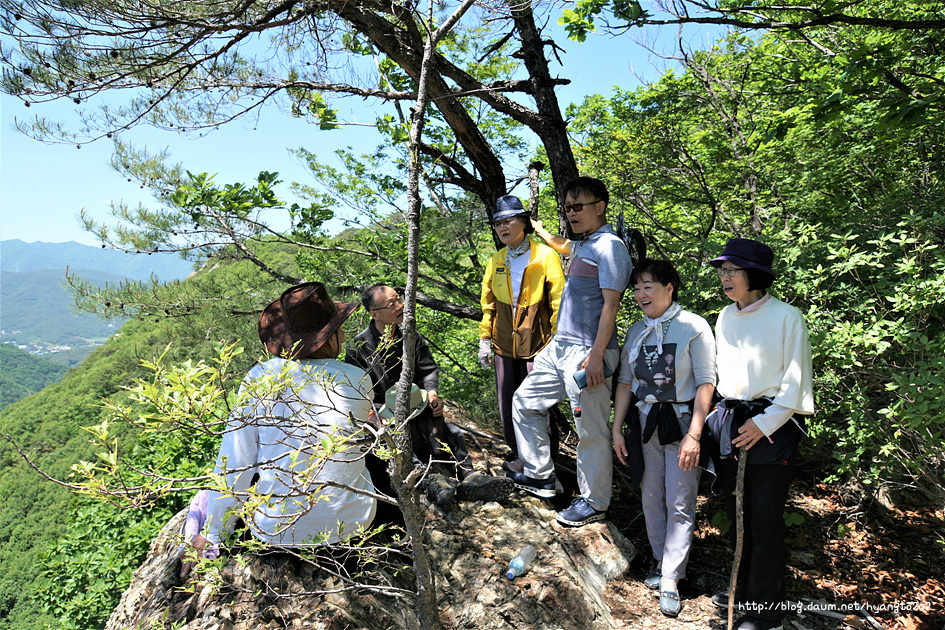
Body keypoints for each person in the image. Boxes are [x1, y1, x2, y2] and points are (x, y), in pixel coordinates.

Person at [196, 282, 378, 564]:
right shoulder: (357, 378)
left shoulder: (259, 378)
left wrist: (213, 533)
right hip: (351, 529)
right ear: (329, 339)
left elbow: (235, 462)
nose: (343, 333)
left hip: (278, 532)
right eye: (339, 327)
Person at [507, 176, 632, 527]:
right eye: (568, 207)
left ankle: (594, 503)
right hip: (560, 347)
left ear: (600, 207)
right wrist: (542, 230)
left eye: (579, 206)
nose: (572, 213)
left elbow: (611, 306)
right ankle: (541, 476)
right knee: (525, 401)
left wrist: (595, 357)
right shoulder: (588, 244)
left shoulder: (611, 248)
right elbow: (565, 247)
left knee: (591, 430)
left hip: (588, 353)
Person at [707, 239, 814, 630]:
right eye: (722, 271)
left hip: (774, 426)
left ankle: (766, 612)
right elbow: (720, 376)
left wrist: (764, 424)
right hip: (735, 423)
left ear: (755, 275)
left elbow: (796, 381)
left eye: (732, 270)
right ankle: (744, 591)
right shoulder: (724, 316)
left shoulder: (788, 317)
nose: (724, 277)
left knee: (765, 521)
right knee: (739, 516)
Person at [611, 258, 715, 617]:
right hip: (645, 423)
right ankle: (660, 560)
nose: (640, 293)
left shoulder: (693, 326)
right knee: (651, 495)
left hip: (683, 422)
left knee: (681, 499)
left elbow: (706, 382)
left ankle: (672, 577)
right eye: (636, 287)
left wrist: (695, 435)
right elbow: (625, 383)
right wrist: (616, 429)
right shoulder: (635, 331)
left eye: (648, 286)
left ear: (669, 288)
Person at [346, 283, 512, 504]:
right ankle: (428, 481)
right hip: (384, 413)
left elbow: (428, 370)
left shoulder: (410, 334)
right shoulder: (359, 347)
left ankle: (470, 477)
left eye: (398, 299)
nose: (399, 306)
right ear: (374, 313)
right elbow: (358, 392)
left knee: (451, 431)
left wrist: (432, 393)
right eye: (391, 304)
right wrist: (373, 417)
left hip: (419, 403)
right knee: (396, 441)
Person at [478, 195, 565, 473]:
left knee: (538, 405)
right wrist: (484, 339)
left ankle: (547, 459)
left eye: (508, 221)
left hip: (539, 343)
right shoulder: (496, 260)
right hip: (504, 343)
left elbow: (558, 302)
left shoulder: (545, 255)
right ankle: (520, 455)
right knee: (508, 401)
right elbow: (488, 303)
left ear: (524, 223)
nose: (503, 227)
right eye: (498, 224)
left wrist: (557, 341)